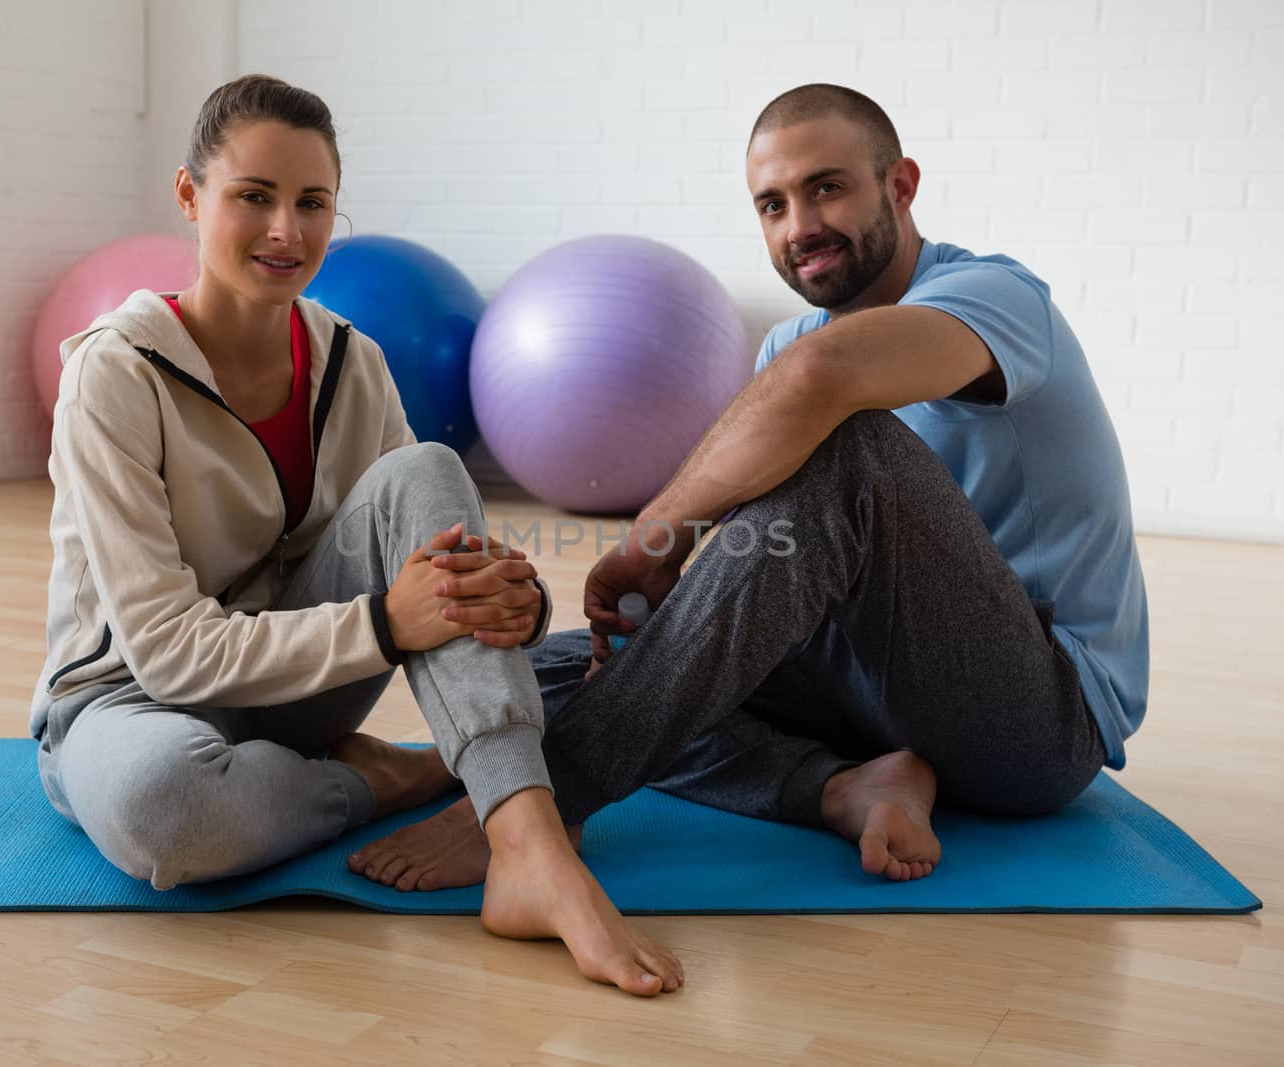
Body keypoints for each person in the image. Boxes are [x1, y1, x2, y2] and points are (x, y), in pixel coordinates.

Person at [350, 83, 1149, 891]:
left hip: (1035, 717)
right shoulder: (789, 343)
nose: (800, 227)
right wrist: (651, 623)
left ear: (900, 186)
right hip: (863, 698)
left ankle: (541, 810)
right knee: (559, 673)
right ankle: (843, 788)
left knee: (851, 445)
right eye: (772, 205)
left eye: (827, 188)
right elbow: (758, 561)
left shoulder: (996, 298)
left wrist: (653, 535)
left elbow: (826, 381)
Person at [30, 74, 682, 997]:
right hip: (129, 699)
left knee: (425, 471)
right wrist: (385, 625)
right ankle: (378, 781)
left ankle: (526, 845)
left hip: (300, 690)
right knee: (164, 812)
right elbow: (170, 651)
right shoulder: (115, 375)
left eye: (312, 202)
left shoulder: (351, 359)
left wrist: (518, 598)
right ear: (189, 196)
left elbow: (428, 543)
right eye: (253, 197)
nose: (286, 232)